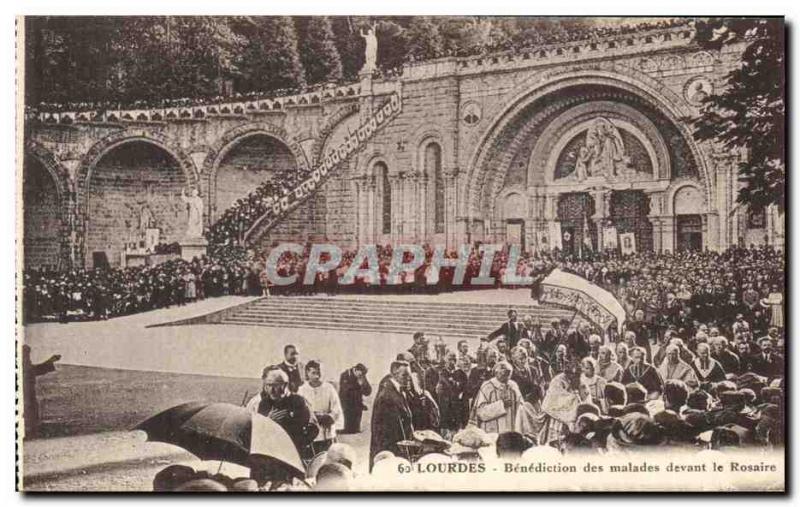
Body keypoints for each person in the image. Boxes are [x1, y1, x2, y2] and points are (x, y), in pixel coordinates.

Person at [247, 368, 318, 452]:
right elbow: (258, 432)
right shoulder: (264, 403)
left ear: (285, 385)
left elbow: (314, 428)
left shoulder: (298, 401)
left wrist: (298, 445)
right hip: (272, 451)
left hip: (294, 451)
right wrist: (268, 421)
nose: (271, 390)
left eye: (275, 385)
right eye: (269, 385)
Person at [369, 361, 415, 470]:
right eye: (404, 375)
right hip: (390, 452)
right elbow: (385, 432)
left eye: (409, 376)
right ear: (394, 373)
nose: (408, 379)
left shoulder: (397, 391)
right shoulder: (387, 396)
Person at [298, 361, 343, 456]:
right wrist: (312, 417)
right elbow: (299, 410)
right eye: (313, 373)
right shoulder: (302, 390)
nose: (317, 376)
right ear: (307, 373)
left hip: (327, 432)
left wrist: (328, 417)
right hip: (310, 433)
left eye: (319, 373)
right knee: (313, 460)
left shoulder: (329, 388)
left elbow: (336, 408)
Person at [470, 361, 523, 434]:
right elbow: (480, 412)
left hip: (511, 426)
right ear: (495, 373)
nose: (506, 376)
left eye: (508, 374)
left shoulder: (513, 386)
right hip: (492, 429)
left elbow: (521, 405)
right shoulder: (487, 387)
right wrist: (501, 405)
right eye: (503, 373)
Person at [22, 345, 61, 438]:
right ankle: (30, 431)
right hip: (27, 392)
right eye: (27, 354)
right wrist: (51, 361)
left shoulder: (24, 363)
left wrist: (51, 361)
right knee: (30, 409)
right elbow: (35, 370)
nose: (28, 357)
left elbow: (34, 370)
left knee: (32, 409)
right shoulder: (22, 364)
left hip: (29, 391)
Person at [435, 349, 468, 436]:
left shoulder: (461, 373)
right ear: (445, 359)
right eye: (450, 359)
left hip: (457, 409)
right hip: (443, 408)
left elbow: (465, 390)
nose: (452, 362)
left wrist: (456, 384)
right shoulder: (439, 373)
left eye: (454, 360)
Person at [338, 363, 372, 434]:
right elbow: (345, 392)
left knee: (355, 431)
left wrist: (362, 384)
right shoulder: (345, 375)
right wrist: (357, 386)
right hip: (346, 406)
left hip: (357, 408)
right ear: (356, 370)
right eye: (360, 374)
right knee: (347, 430)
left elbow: (368, 392)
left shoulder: (361, 376)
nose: (361, 376)